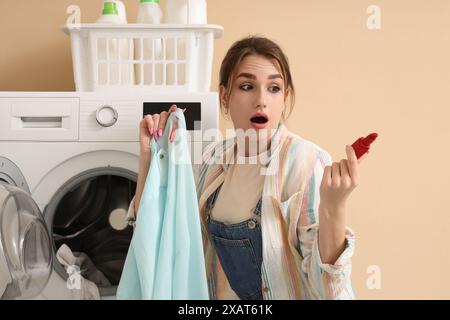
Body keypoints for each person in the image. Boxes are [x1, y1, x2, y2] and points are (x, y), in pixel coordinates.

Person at [127, 36, 364, 300]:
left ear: (284, 97)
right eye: (247, 86)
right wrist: (150, 157)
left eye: (274, 88)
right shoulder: (212, 159)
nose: (262, 100)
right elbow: (162, 241)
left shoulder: (307, 162)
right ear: (225, 96)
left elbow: (328, 290)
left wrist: (333, 207)